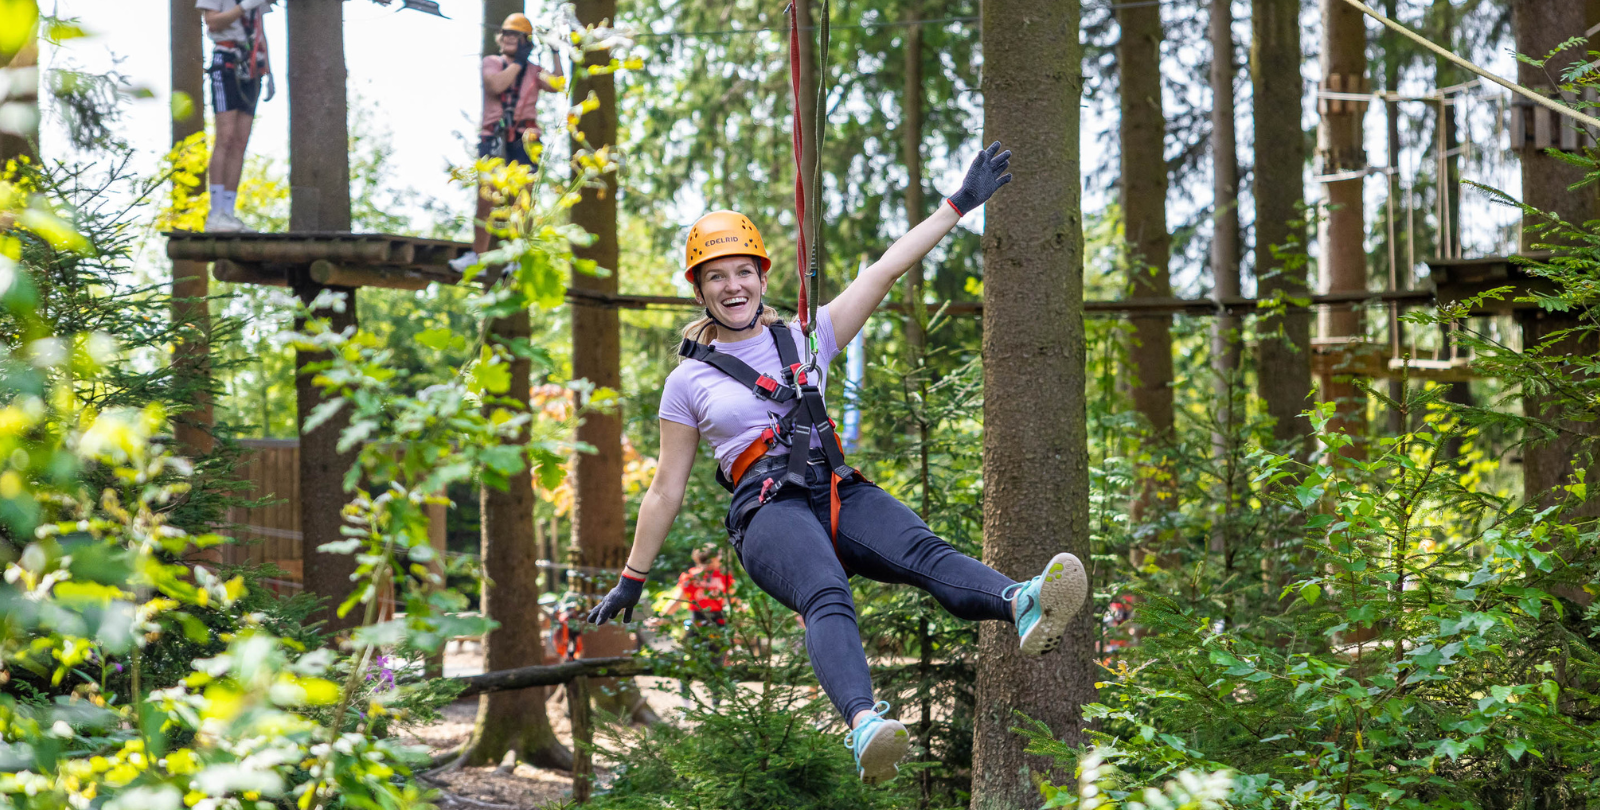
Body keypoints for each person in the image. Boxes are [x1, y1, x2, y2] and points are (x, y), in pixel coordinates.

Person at [585, 142, 1090, 784]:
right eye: (716, 276)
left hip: (837, 490)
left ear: (762, 277)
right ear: (700, 290)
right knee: (826, 592)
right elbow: (664, 488)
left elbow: (882, 271)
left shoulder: (807, 334)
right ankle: (864, 726)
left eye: (742, 271)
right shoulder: (687, 382)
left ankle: (1021, 601)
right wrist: (634, 575)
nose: (732, 285)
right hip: (766, 512)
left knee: (923, 552)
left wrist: (957, 206)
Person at [450, 12, 565, 272]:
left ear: (525, 40)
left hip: (525, 138)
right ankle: (477, 255)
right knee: (486, 196)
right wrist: (519, 63)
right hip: (494, 137)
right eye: (507, 33)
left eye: (516, 35)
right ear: (500, 38)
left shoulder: (535, 71)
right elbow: (496, 86)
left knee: (522, 197)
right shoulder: (492, 62)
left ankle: (516, 258)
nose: (509, 38)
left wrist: (555, 50)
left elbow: (558, 84)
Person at [195, 0, 275, 233]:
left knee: (241, 141)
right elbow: (211, 22)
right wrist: (243, 7)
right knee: (226, 137)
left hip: (252, 64)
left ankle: (228, 213)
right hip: (227, 61)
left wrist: (269, 72)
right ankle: (215, 213)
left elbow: (261, 31)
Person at [671, 544, 735, 710]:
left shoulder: (697, 577)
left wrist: (661, 616)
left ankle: (698, 707)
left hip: (706, 622)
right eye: (719, 557)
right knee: (712, 664)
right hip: (710, 622)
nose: (721, 560)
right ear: (713, 558)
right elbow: (735, 601)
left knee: (691, 663)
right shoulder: (711, 577)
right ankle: (708, 707)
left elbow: (677, 602)